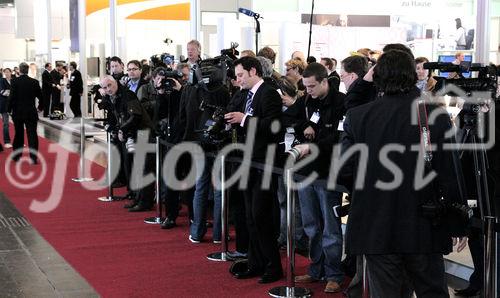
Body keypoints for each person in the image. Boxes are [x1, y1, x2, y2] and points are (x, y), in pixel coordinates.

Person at [340, 49, 467, 298]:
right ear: (412, 74)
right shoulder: (435, 115)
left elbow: (344, 171)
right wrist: (457, 222)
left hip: (375, 225)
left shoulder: (358, 117)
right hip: (424, 224)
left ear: (376, 76)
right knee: (432, 291)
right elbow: (449, 172)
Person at [224, 56, 283, 284]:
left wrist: (245, 119)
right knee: (249, 216)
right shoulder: (245, 95)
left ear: (253, 71)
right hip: (247, 160)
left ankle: (273, 265)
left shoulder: (268, 93)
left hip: (265, 161)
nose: (238, 80)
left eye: (240, 75)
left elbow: (273, 127)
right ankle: (256, 261)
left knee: (261, 216)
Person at [291, 62, 346, 293]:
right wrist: (304, 126)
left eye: (312, 86)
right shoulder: (305, 100)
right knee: (311, 224)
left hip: (329, 172)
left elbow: (340, 137)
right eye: (305, 86)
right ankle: (316, 268)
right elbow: (290, 119)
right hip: (305, 170)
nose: (309, 90)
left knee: (330, 227)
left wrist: (314, 143)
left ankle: (334, 273)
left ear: (325, 81)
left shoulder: (342, 102)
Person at [7, 62, 43, 164]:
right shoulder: (34, 82)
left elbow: (11, 97)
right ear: (27, 70)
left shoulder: (14, 81)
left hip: (18, 112)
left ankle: (17, 156)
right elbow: (41, 97)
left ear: (19, 70)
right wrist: (40, 108)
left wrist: (9, 110)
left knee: (19, 134)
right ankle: (33, 158)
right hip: (31, 112)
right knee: (32, 135)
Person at [0, 68, 13, 148]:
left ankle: (18, 141)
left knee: (18, 124)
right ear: (4, 73)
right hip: (4, 105)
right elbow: (1, 91)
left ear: (11, 72)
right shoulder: (1, 80)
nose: (7, 73)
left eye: (8, 72)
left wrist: (9, 92)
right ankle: (7, 141)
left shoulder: (13, 80)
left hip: (13, 105)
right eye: (5, 72)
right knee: (6, 124)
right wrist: (11, 92)